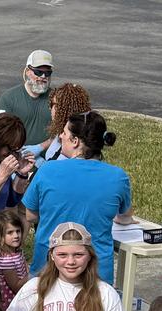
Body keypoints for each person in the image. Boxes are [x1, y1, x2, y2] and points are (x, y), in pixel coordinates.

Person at [23, 110, 133, 284]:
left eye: (64, 133)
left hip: (48, 270)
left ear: (75, 141)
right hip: (96, 275)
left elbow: (31, 215)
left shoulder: (47, 170)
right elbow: (125, 217)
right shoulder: (118, 177)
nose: (60, 136)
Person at [0, 50, 56, 145]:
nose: (43, 76)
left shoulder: (56, 98)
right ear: (27, 71)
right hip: (16, 156)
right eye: (38, 72)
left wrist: (41, 147)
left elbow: (65, 132)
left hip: (50, 157)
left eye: (48, 73)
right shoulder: (9, 98)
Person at [23, 83, 91, 164]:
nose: (50, 108)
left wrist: (41, 165)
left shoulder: (70, 144)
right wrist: (41, 146)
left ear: (63, 109)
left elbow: (59, 168)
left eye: (52, 104)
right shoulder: (69, 129)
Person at [0, 207, 30, 311]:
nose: (16, 236)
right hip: (11, 304)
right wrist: (33, 275)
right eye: (10, 232)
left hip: (21, 296)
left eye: (18, 231)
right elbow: (16, 286)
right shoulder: (6, 261)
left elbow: (23, 268)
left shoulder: (15, 251)